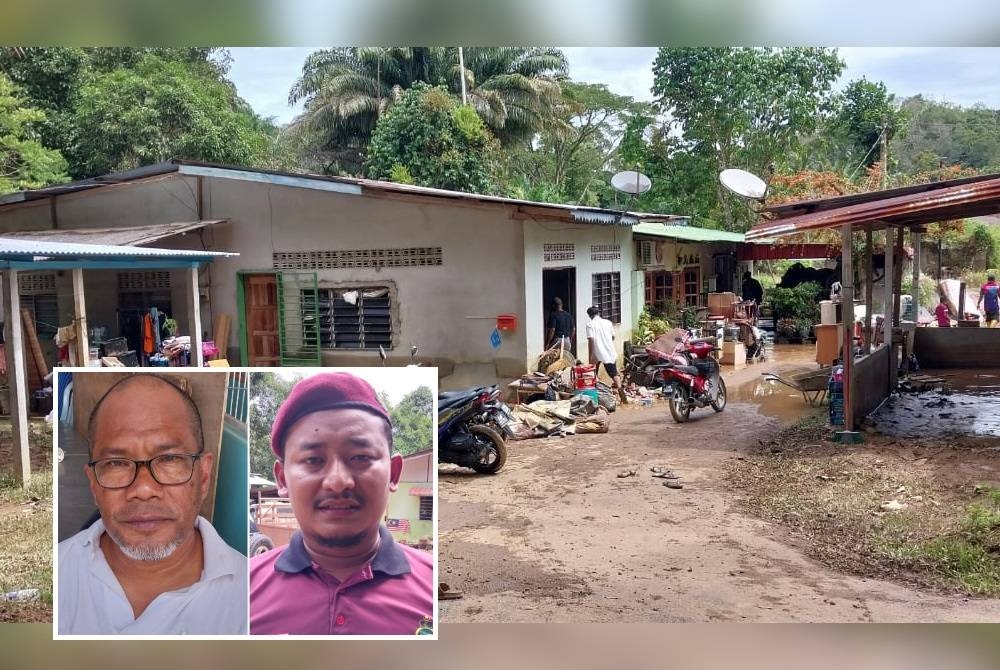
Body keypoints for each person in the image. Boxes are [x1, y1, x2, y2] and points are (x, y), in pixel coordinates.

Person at [58, 374, 247, 635]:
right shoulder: (57, 575)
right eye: (116, 463)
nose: (144, 489)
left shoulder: (251, 598)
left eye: (169, 459)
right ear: (93, 484)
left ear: (203, 476)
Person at [250, 372, 434, 636]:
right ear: (282, 479)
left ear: (393, 473)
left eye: (360, 457)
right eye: (313, 460)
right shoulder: (240, 594)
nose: (337, 482)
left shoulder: (432, 589)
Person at [586, 306, 625, 402]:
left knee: (595, 372)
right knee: (613, 372)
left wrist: (590, 355)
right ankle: (618, 388)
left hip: (597, 352)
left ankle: (599, 392)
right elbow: (612, 337)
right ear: (598, 313)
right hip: (609, 351)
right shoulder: (608, 323)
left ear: (590, 316)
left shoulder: (590, 325)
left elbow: (591, 340)